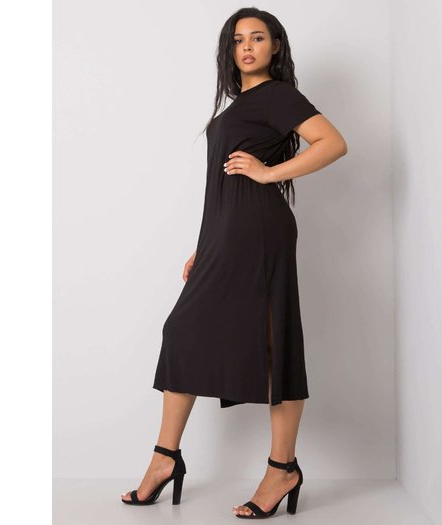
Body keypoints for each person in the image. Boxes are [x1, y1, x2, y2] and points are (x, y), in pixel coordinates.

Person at [120, 7, 347, 519]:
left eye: (258, 37)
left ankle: (281, 468)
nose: (247, 46)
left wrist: (269, 174)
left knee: (273, 341)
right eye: (238, 39)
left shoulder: (279, 96)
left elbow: (334, 143)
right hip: (227, 234)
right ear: (229, 50)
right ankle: (165, 458)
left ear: (275, 46)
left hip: (261, 232)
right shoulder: (237, 106)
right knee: (182, 331)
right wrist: (205, 244)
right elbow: (218, 187)